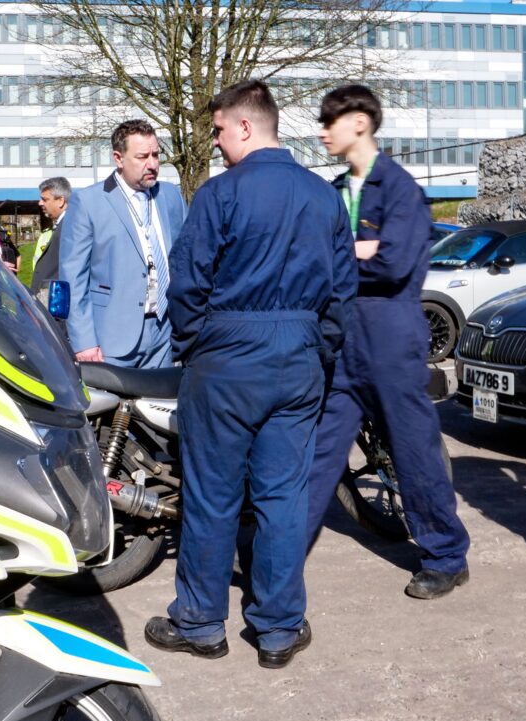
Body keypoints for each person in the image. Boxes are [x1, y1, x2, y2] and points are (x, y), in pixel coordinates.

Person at [144, 81, 357, 668]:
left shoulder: (219, 195)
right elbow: (342, 293)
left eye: (217, 130)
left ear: (244, 126)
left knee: (212, 496)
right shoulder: (323, 197)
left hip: (228, 359)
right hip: (297, 358)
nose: (213, 142)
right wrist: (318, 349)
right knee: (283, 497)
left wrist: (199, 344)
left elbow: (187, 285)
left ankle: (200, 622)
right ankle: (279, 629)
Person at [307, 85, 470, 599]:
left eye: (329, 120)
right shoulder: (335, 190)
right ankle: (278, 556)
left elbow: (393, 264)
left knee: (413, 451)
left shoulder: (399, 188)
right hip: (343, 342)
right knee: (317, 457)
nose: (322, 130)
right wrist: (357, 251)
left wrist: (345, 255)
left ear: (359, 122)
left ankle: (445, 554)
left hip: (390, 341)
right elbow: (320, 260)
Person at [59, 119, 187, 368]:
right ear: (118, 158)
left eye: (155, 155)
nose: (152, 164)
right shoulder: (88, 202)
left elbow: (186, 259)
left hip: (165, 333)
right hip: (111, 338)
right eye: (142, 157)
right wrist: (84, 341)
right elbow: (72, 278)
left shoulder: (170, 196)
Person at [30, 177, 70, 302]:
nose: (40, 203)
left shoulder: (70, 226)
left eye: (45, 199)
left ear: (60, 201)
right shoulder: (63, 224)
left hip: (57, 301)